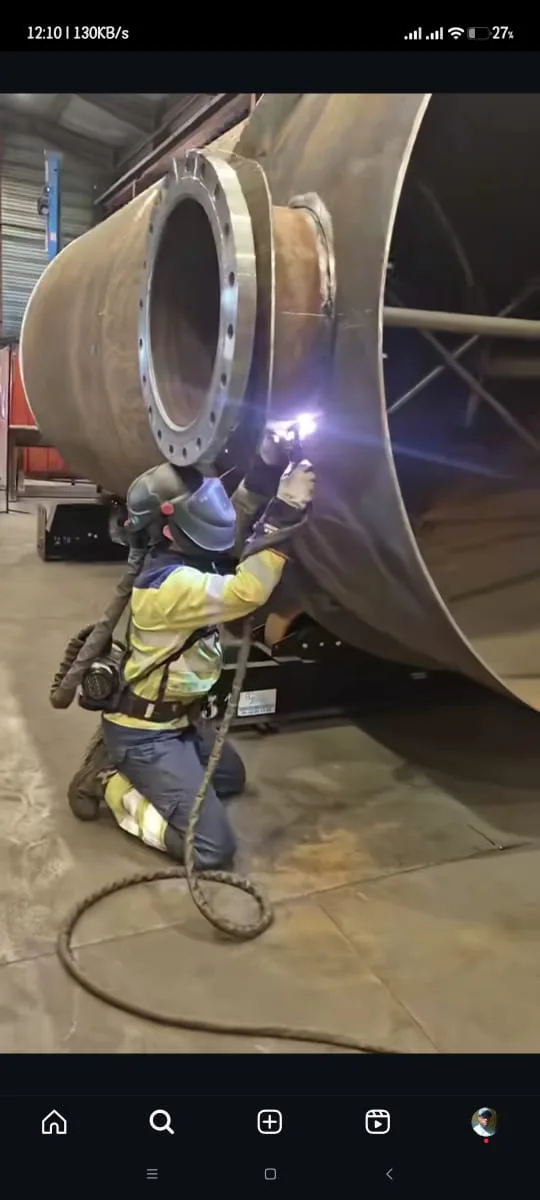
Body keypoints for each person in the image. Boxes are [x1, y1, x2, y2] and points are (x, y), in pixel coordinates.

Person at [68, 434, 315, 869]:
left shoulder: (187, 552)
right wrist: (285, 512)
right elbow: (247, 591)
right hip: (146, 734)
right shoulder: (170, 586)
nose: (213, 512)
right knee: (211, 848)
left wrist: (266, 462)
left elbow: (235, 516)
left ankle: (148, 770)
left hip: (182, 718)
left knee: (230, 779)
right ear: (168, 528)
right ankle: (109, 781)